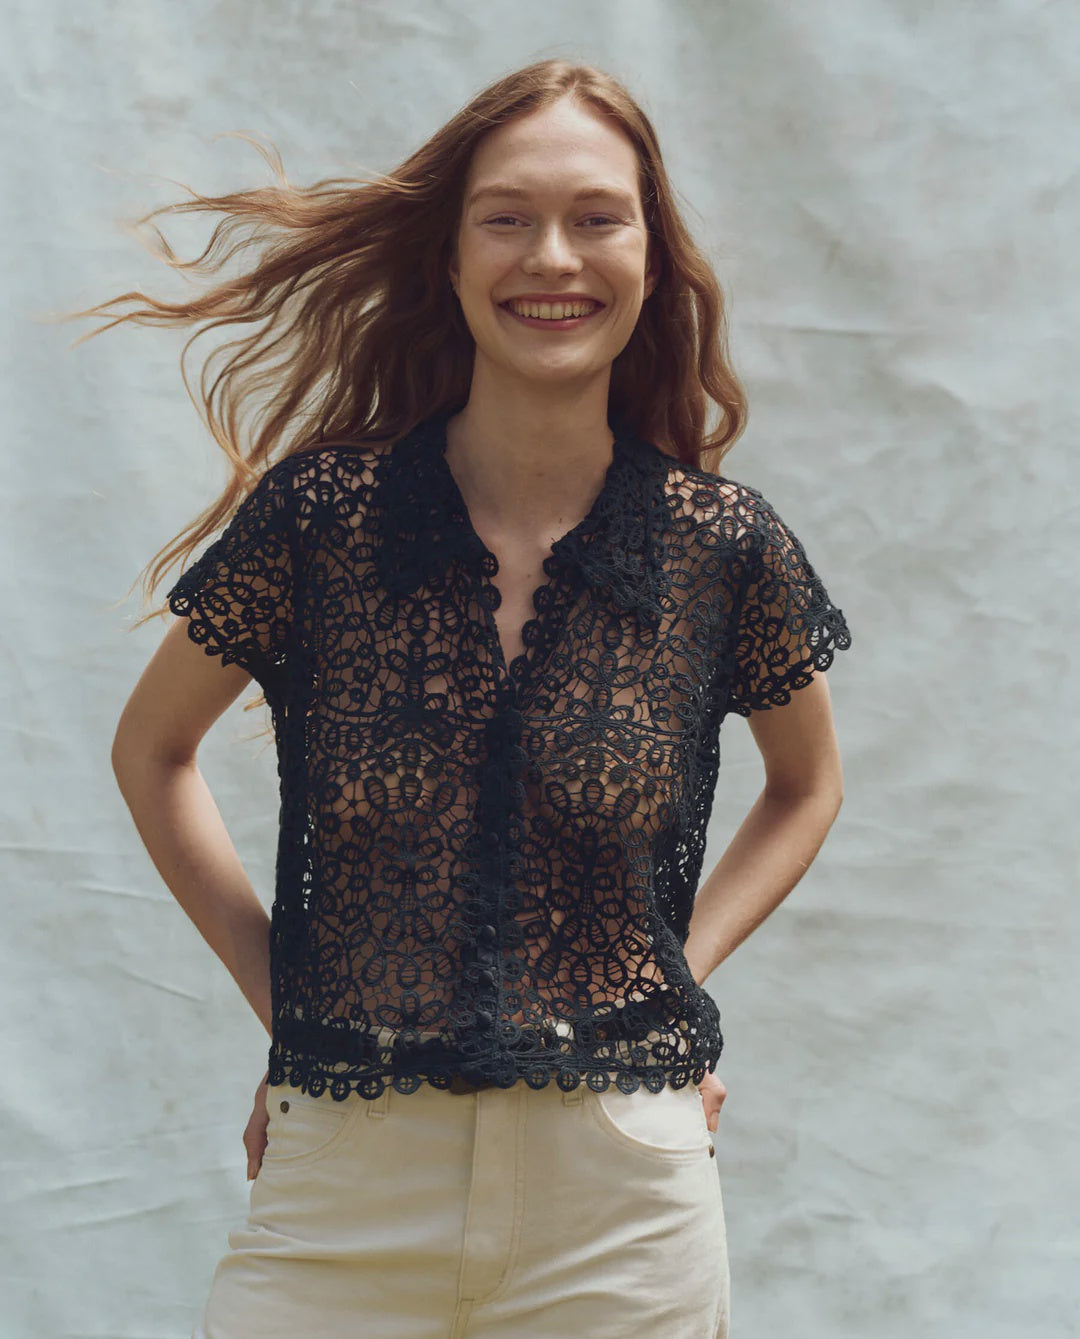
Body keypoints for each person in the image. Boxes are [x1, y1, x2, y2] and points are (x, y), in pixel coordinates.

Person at [98, 57, 851, 1339]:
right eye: (507, 217)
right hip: (344, 1185)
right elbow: (152, 752)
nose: (551, 256)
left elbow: (807, 783)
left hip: (621, 1199)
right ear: (450, 259)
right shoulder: (321, 523)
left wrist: (678, 972)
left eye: (597, 216)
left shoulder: (722, 550)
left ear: (652, 259)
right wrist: (289, 998)